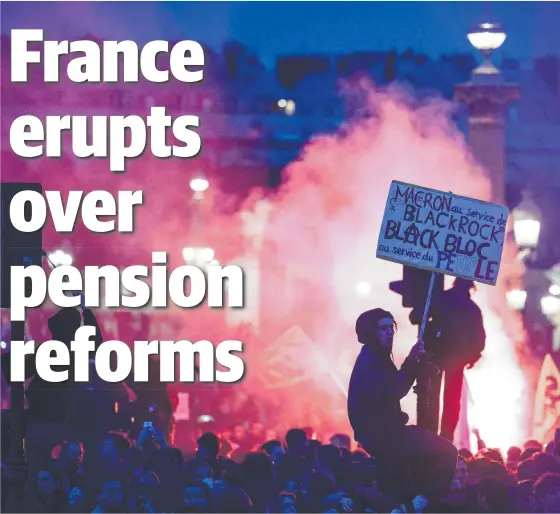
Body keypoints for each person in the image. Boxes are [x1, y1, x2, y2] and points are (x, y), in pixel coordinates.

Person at [347, 308, 458, 507]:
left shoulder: (377, 357)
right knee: (447, 452)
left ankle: (406, 504)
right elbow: (394, 389)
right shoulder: (370, 362)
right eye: (383, 328)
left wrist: (411, 361)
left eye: (391, 327)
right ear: (370, 333)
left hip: (387, 434)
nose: (389, 332)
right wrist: (412, 364)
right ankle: (417, 505)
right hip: (384, 436)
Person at [421, 279, 486, 441]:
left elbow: (419, 318)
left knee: (431, 395)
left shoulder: (440, 300)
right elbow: (479, 336)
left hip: (436, 354)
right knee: (452, 399)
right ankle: (445, 437)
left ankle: (430, 434)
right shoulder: (472, 308)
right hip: (457, 358)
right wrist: (472, 356)